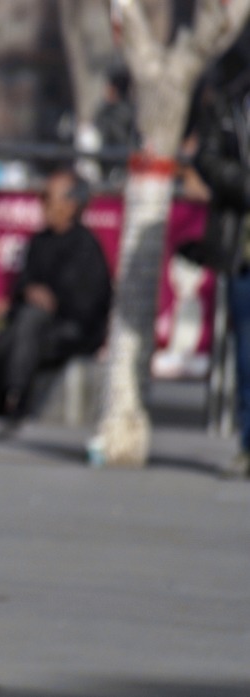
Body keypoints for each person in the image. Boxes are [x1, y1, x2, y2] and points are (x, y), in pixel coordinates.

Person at [0, 168, 112, 426]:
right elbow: (24, 284)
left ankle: (17, 398)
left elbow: (88, 303)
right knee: (16, 325)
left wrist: (52, 299)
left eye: (47, 197)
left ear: (71, 204)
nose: (42, 204)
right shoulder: (39, 241)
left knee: (30, 323)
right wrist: (28, 293)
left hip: (75, 328)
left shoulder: (85, 245)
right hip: (37, 323)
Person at [191, 67, 250, 477]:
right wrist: (244, 184)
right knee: (247, 355)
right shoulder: (230, 103)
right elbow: (206, 157)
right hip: (242, 246)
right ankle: (249, 445)